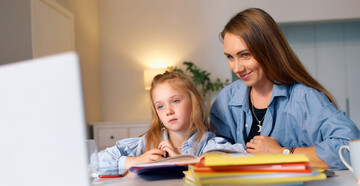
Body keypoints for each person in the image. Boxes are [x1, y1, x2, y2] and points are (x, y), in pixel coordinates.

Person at [210, 8, 360, 170]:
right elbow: (216, 149)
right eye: (230, 57)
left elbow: (349, 147)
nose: (236, 68)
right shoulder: (227, 98)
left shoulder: (304, 97)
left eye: (245, 55)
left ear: (268, 51)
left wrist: (283, 153)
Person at [99, 71, 245, 174]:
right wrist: (135, 161)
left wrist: (181, 161)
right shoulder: (149, 142)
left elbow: (239, 160)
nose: (168, 111)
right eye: (160, 106)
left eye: (175, 101)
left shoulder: (208, 143)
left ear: (193, 102)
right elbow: (96, 161)